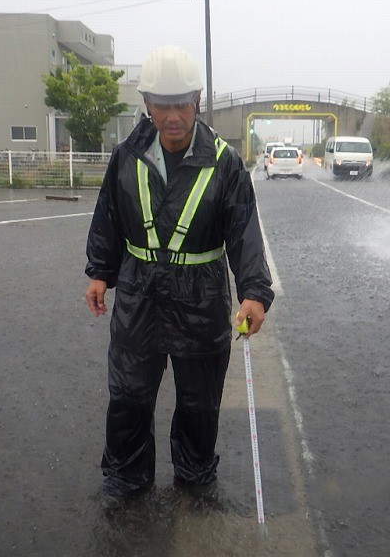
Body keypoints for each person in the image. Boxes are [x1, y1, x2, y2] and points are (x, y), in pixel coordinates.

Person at [84, 45, 274, 507]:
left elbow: (244, 231)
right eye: (162, 104)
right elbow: (108, 215)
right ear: (147, 104)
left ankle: (194, 476)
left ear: (197, 101)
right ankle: (127, 480)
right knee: (129, 395)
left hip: (201, 297)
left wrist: (254, 292)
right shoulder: (126, 156)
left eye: (182, 103)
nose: (172, 116)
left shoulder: (225, 162)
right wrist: (99, 273)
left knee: (198, 402)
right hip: (138, 293)